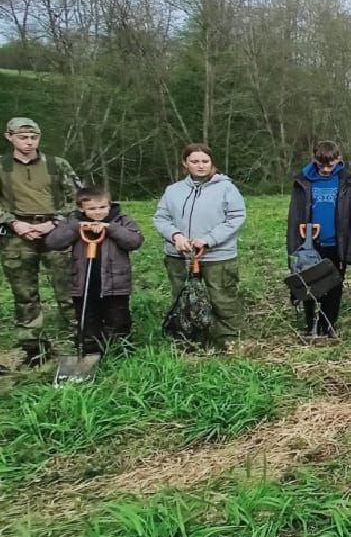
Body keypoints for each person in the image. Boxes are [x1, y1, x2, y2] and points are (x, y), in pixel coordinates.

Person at [2, 116, 82, 367]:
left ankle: (76, 339)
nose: (28, 142)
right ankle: (32, 346)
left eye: (33, 137)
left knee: (68, 289)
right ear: (9, 137)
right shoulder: (2, 166)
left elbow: (78, 198)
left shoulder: (57, 165)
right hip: (17, 234)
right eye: (23, 137)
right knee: (24, 293)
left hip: (55, 231)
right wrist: (13, 222)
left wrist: (55, 222)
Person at [154, 143, 247, 351]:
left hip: (217, 256)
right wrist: (175, 236)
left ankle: (227, 341)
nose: (200, 166)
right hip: (180, 256)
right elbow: (161, 218)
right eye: (195, 161)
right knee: (183, 298)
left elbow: (236, 217)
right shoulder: (173, 191)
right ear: (185, 163)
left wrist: (208, 239)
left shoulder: (226, 188)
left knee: (222, 298)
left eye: (205, 161)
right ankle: (188, 340)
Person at [45, 186, 143, 355]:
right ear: (80, 208)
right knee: (87, 320)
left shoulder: (121, 220)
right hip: (83, 284)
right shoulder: (72, 221)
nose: (97, 212)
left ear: (109, 205)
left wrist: (109, 228)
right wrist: (76, 228)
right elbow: (53, 242)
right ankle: (89, 353)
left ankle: (120, 352)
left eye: (102, 207)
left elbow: (134, 241)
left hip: (114, 285)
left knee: (118, 320)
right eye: (91, 209)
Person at [285, 140, 351, 337]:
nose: (326, 169)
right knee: (309, 283)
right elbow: (295, 214)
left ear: (339, 160)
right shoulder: (303, 181)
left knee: (334, 286)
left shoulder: (349, 181)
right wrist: (294, 245)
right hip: (310, 243)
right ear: (314, 160)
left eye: (331, 164)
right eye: (321, 165)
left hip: (337, 243)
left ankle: (329, 323)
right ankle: (312, 324)